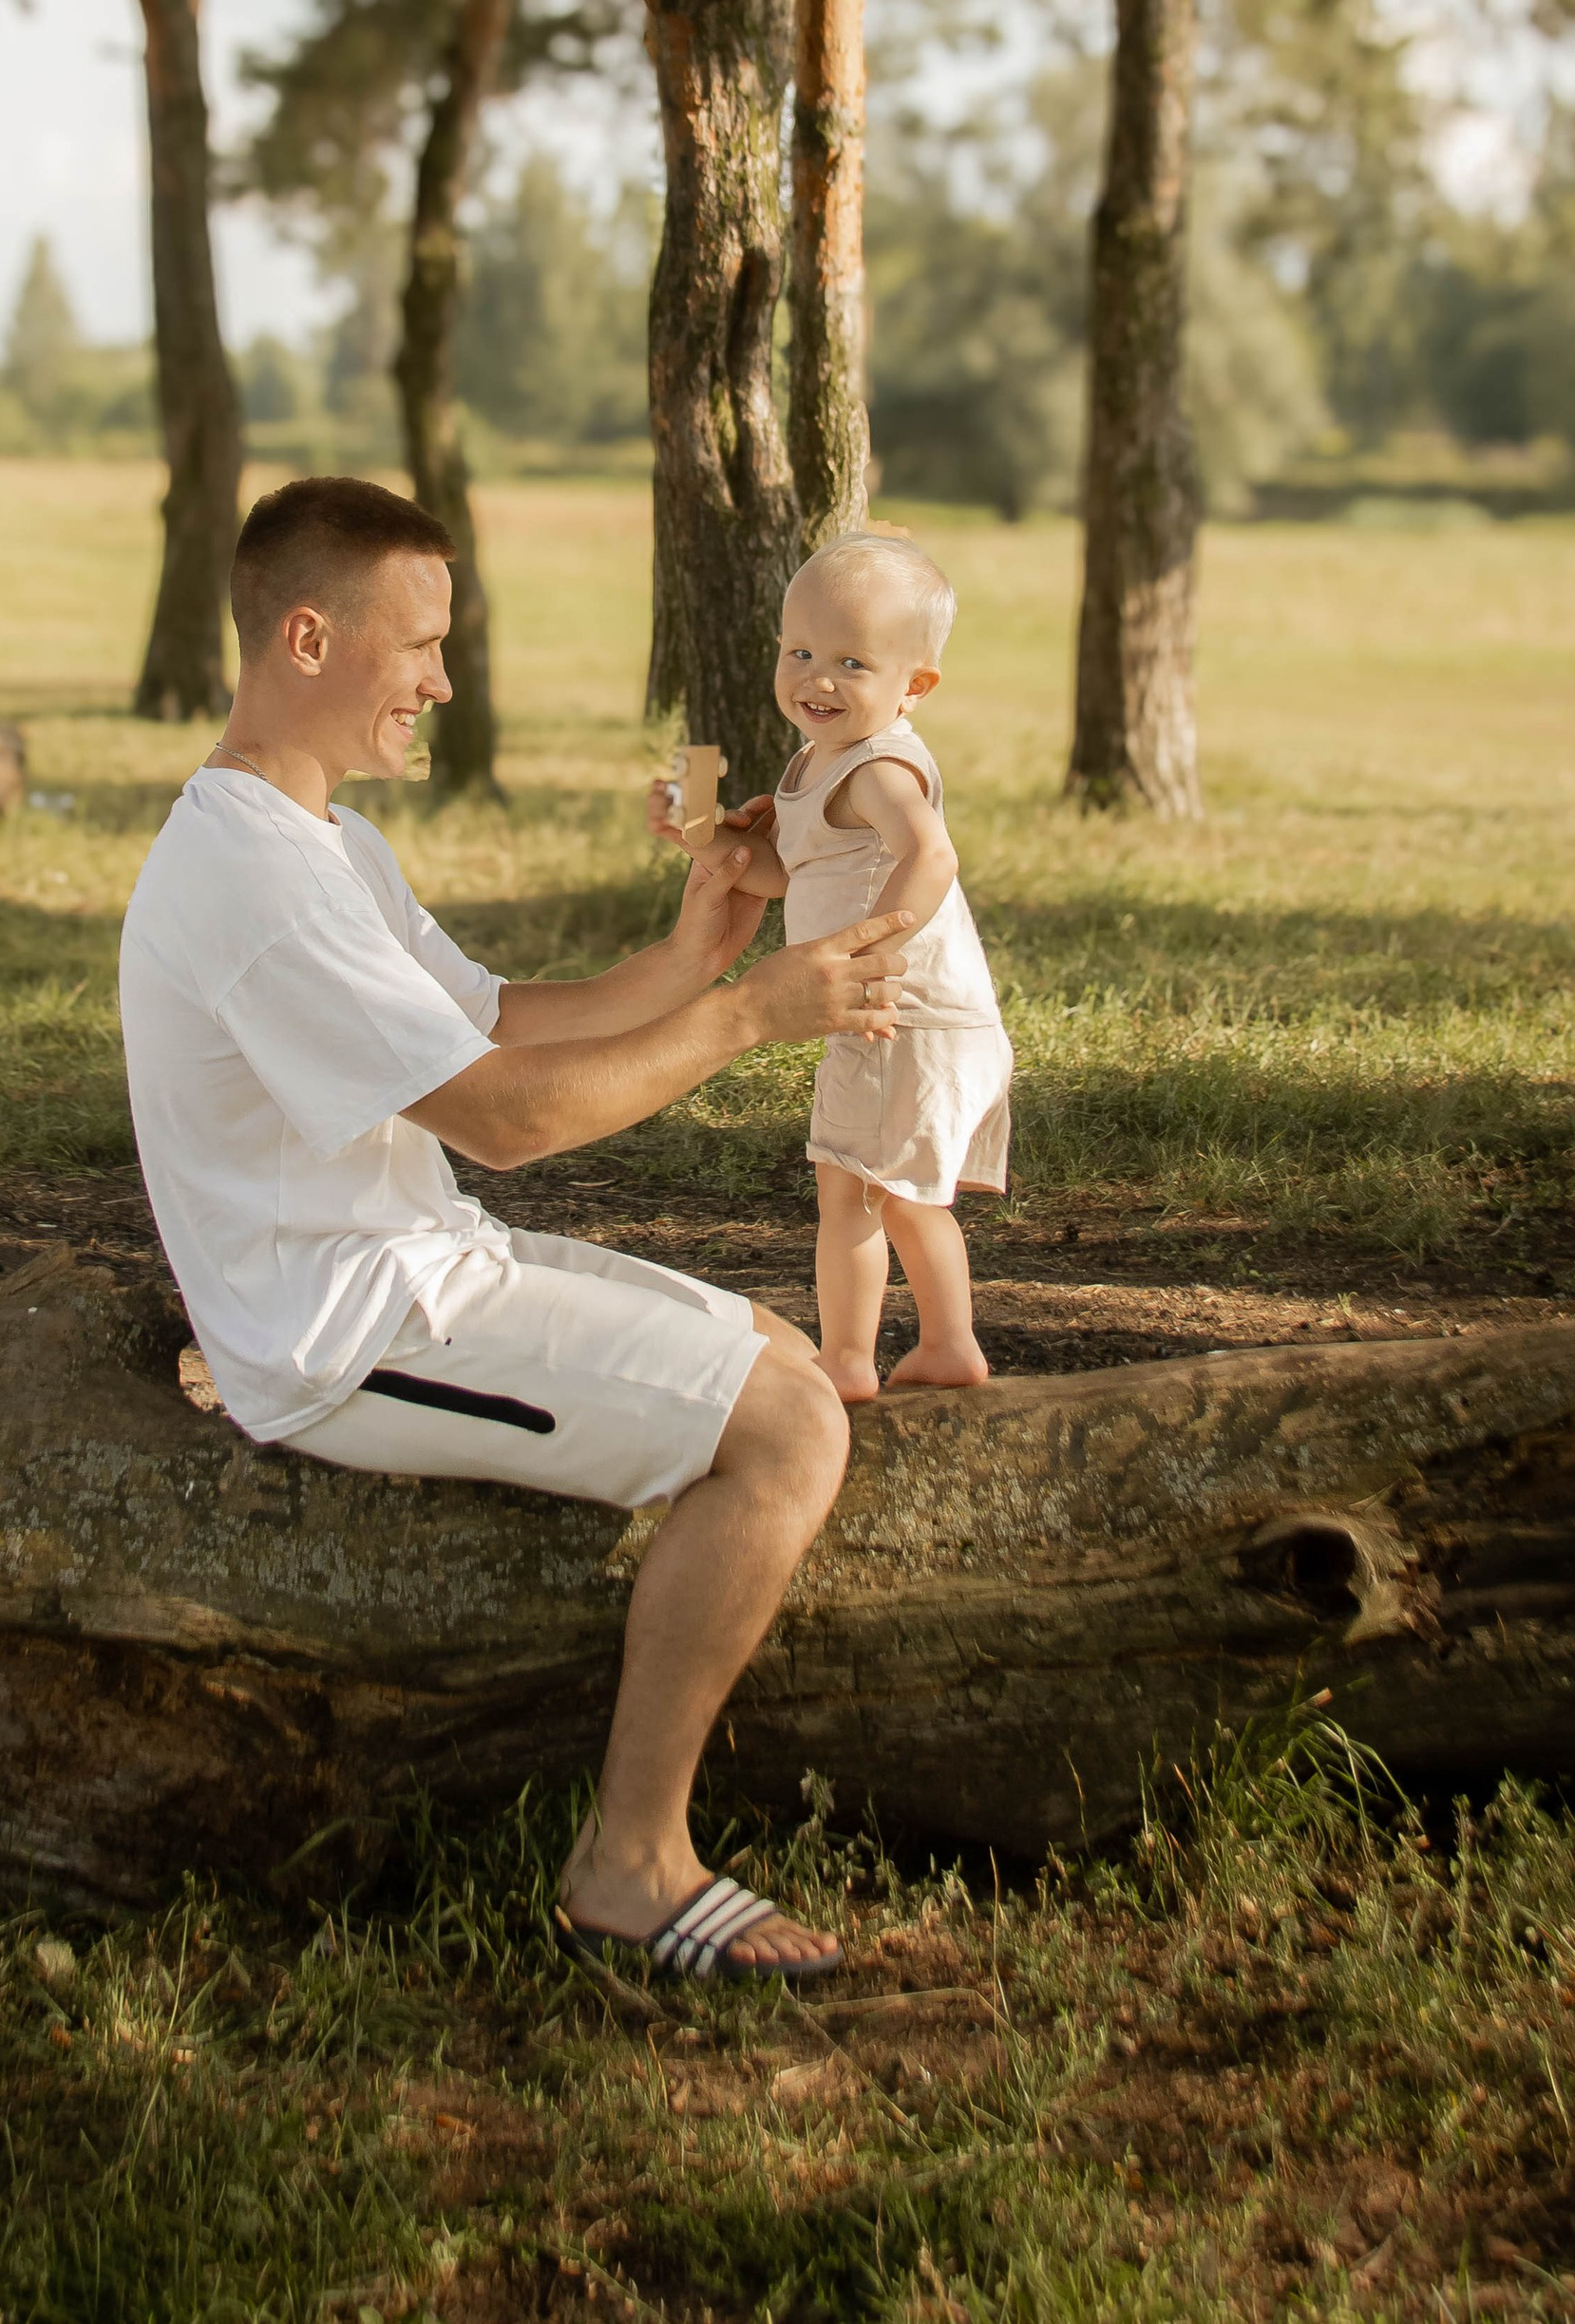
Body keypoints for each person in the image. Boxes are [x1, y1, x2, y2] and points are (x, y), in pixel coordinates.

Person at [118, 475, 914, 1985]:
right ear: (305, 636)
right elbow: (507, 1118)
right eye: (417, 644)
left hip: (422, 1264)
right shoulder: (253, 879)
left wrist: (693, 950)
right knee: (791, 1434)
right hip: (342, 1338)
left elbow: (490, 1022)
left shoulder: (316, 841)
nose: (441, 680)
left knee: (780, 1352)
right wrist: (748, 1016)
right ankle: (632, 1861)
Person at [651, 534, 1012, 1402]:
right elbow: (787, 876)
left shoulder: (879, 765)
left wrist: (874, 947)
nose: (816, 678)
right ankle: (949, 1345)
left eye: (851, 662)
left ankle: (848, 1359)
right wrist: (696, 831)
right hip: (928, 1017)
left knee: (847, 1192)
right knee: (908, 1196)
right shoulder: (822, 764)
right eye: (800, 652)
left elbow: (932, 857)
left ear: (912, 686)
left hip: (898, 1009)